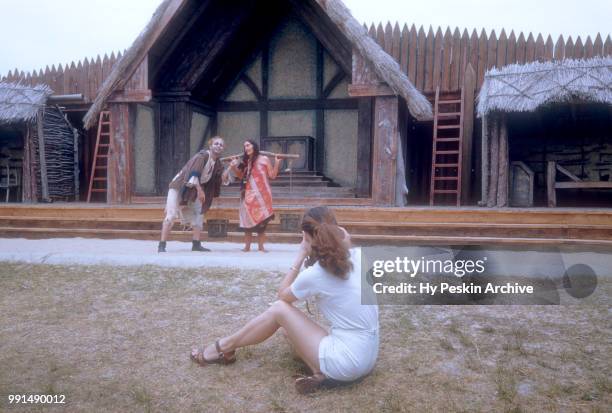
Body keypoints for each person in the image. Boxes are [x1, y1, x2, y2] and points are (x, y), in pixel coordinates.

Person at [190, 206, 380, 394]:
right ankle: (321, 373)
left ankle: (224, 348)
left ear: (307, 237)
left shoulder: (317, 273)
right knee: (289, 333)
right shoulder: (361, 255)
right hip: (367, 358)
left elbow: (283, 296)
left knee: (279, 309)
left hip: (347, 362)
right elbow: (344, 246)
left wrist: (300, 255)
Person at [158, 136, 230, 253]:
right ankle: (162, 245)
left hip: (195, 189)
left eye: (221, 145)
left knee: (199, 213)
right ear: (210, 146)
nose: (218, 146)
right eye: (216, 143)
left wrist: (231, 167)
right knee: (171, 215)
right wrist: (200, 191)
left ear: (223, 148)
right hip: (179, 187)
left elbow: (221, 179)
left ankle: (196, 244)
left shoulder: (216, 162)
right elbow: (193, 174)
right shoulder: (201, 157)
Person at [228, 139, 281, 252]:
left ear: (254, 146)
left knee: (262, 222)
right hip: (248, 194)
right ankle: (247, 247)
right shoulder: (245, 161)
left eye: (248, 145)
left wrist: (277, 163)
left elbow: (272, 176)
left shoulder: (264, 159)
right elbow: (241, 176)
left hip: (263, 195)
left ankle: (261, 247)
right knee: (248, 222)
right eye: (244, 146)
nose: (246, 148)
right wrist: (233, 167)